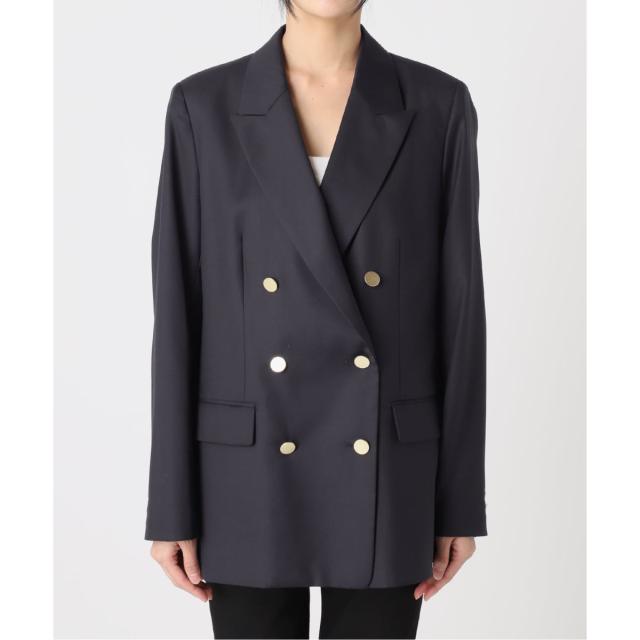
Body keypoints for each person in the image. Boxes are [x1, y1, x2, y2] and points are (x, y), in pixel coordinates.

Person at [145, 1, 487, 638]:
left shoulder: (437, 105)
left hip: (386, 466)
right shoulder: (203, 107)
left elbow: (460, 317)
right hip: (245, 469)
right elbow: (177, 314)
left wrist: (459, 501)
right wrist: (171, 504)